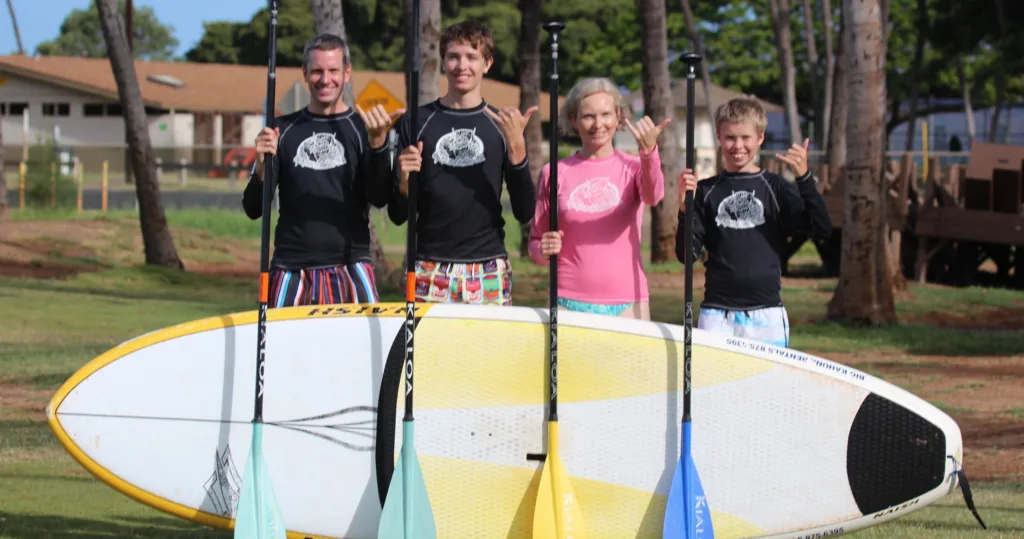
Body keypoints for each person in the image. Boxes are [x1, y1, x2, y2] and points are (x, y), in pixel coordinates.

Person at [384, 20, 537, 306]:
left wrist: (517, 148)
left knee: (489, 351)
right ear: (443, 62)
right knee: (428, 352)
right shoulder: (416, 122)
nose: (461, 65)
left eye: (471, 57)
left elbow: (525, 210)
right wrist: (404, 181)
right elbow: (397, 214)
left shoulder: (502, 126)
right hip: (429, 267)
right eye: (453, 56)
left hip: (488, 266)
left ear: (487, 63)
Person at [242, 34, 394, 308]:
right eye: (317, 71)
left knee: (361, 351)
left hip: (351, 264)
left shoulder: (363, 129)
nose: (325, 80)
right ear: (305, 73)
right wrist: (262, 167)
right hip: (291, 267)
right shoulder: (282, 129)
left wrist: (379, 146)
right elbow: (254, 208)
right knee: (286, 350)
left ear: (347, 73)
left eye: (333, 70)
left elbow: (381, 197)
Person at [676, 96, 832, 347]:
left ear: (760, 137)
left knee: (767, 385)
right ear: (718, 136)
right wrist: (684, 211)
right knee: (715, 386)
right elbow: (687, 256)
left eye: (745, 137)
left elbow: (822, 228)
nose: (738, 145)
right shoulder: (706, 190)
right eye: (730, 137)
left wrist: (804, 178)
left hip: (766, 313)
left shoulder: (775, 187)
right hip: (717, 314)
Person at [527, 77, 669, 319]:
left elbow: (654, 196)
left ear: (619, 118)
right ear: (573, 120)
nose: (598, 124)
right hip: (566, 301)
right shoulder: (553, 172)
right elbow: (535, 244)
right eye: (588, 116)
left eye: (605, 114)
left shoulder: (634, 167)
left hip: (627, 303)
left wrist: (648, 154)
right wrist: (544, 250)